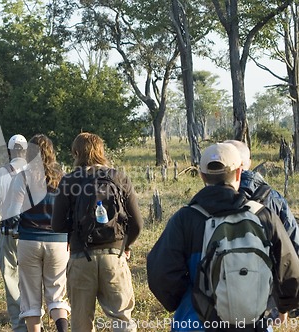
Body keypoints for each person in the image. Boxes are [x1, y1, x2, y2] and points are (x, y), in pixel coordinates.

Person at [147, 142, 299, 331]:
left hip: (196, 323)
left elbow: (160, 272)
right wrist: (284, 305)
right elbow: (289, 266)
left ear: (202, 176)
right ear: (239, 173)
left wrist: (187, 298)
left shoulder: (185, 218)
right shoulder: (263, 215)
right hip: (254, 324)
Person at [52, 132, 143, 332]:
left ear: (76, 153)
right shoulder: (119, 177)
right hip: (114, 256)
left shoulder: (69, 181)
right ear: (101, 151)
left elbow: (56, 225)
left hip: (80, 257)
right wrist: (124, 245)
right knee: (122, 318)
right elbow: (137, 224)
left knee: (81, 322)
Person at [224, 139, 299, 321]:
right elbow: (291, 252)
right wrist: (285, 304)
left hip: (217, 294)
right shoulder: (273, 198)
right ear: (247, 163)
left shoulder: (207, 200)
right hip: (264, 296)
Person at [5, 134, 70, 332]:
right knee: (57, 296)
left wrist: (11, 228)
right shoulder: (63, 178)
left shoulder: (23, 176)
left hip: (29, 241)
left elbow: (13, 213)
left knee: (31, 300)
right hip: (58, 243)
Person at [0, 134, 28, 332]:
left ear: (10, 151)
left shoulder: (0, 173)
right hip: (33, 233)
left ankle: (19, 326)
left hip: (8, 232)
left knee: (11, 279)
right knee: (33, 279)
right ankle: (37, 321)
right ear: (25, 150)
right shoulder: (35, 170)